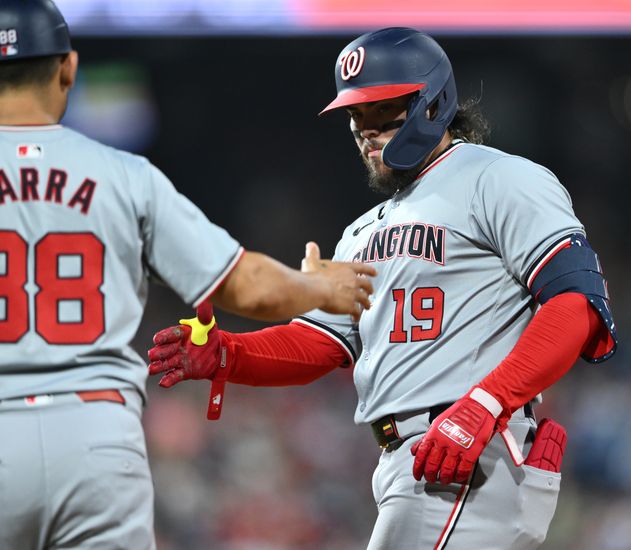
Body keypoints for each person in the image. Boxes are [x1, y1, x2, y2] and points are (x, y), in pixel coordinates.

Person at [149, 27, 617, 549]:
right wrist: (228, 354)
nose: (364, 130)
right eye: (355, 115)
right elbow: (325, 343)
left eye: (380, 110)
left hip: (468, 450)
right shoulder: (361, 231)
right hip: (411, 460)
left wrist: (487, 403)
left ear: (433, 103)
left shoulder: (499, 179)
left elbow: (576, 305)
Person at [0, 1, 377, 549]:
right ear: (67, 69)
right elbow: (245, 286)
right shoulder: (123, 176)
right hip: (95, 437)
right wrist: (320, 286)